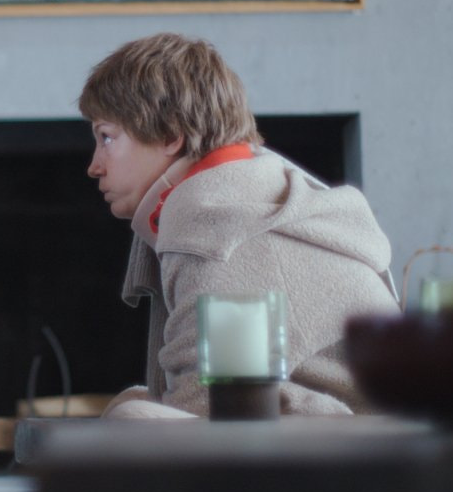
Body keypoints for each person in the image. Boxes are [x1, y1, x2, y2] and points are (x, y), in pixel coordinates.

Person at [81, 32, 398, 419]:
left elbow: (205, 407)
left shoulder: (215, 223)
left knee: (133, 417)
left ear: (169, 135)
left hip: (360, 446)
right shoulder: (246, 194)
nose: (94, 166)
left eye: (106, 137)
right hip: (371, 437)